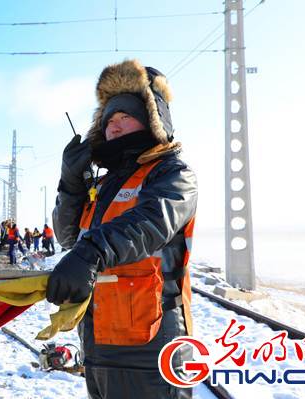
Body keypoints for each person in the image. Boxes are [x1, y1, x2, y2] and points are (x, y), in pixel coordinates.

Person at [47, 59, 197, 399]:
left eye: (124, 116)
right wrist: (70, 185)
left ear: (151, 119)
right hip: (99, 341)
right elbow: (68, 236)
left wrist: (90, 253)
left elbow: (151, 222)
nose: (114, 125)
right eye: (109, 119)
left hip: (151, 343)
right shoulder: (103, 186)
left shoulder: (173, 173)